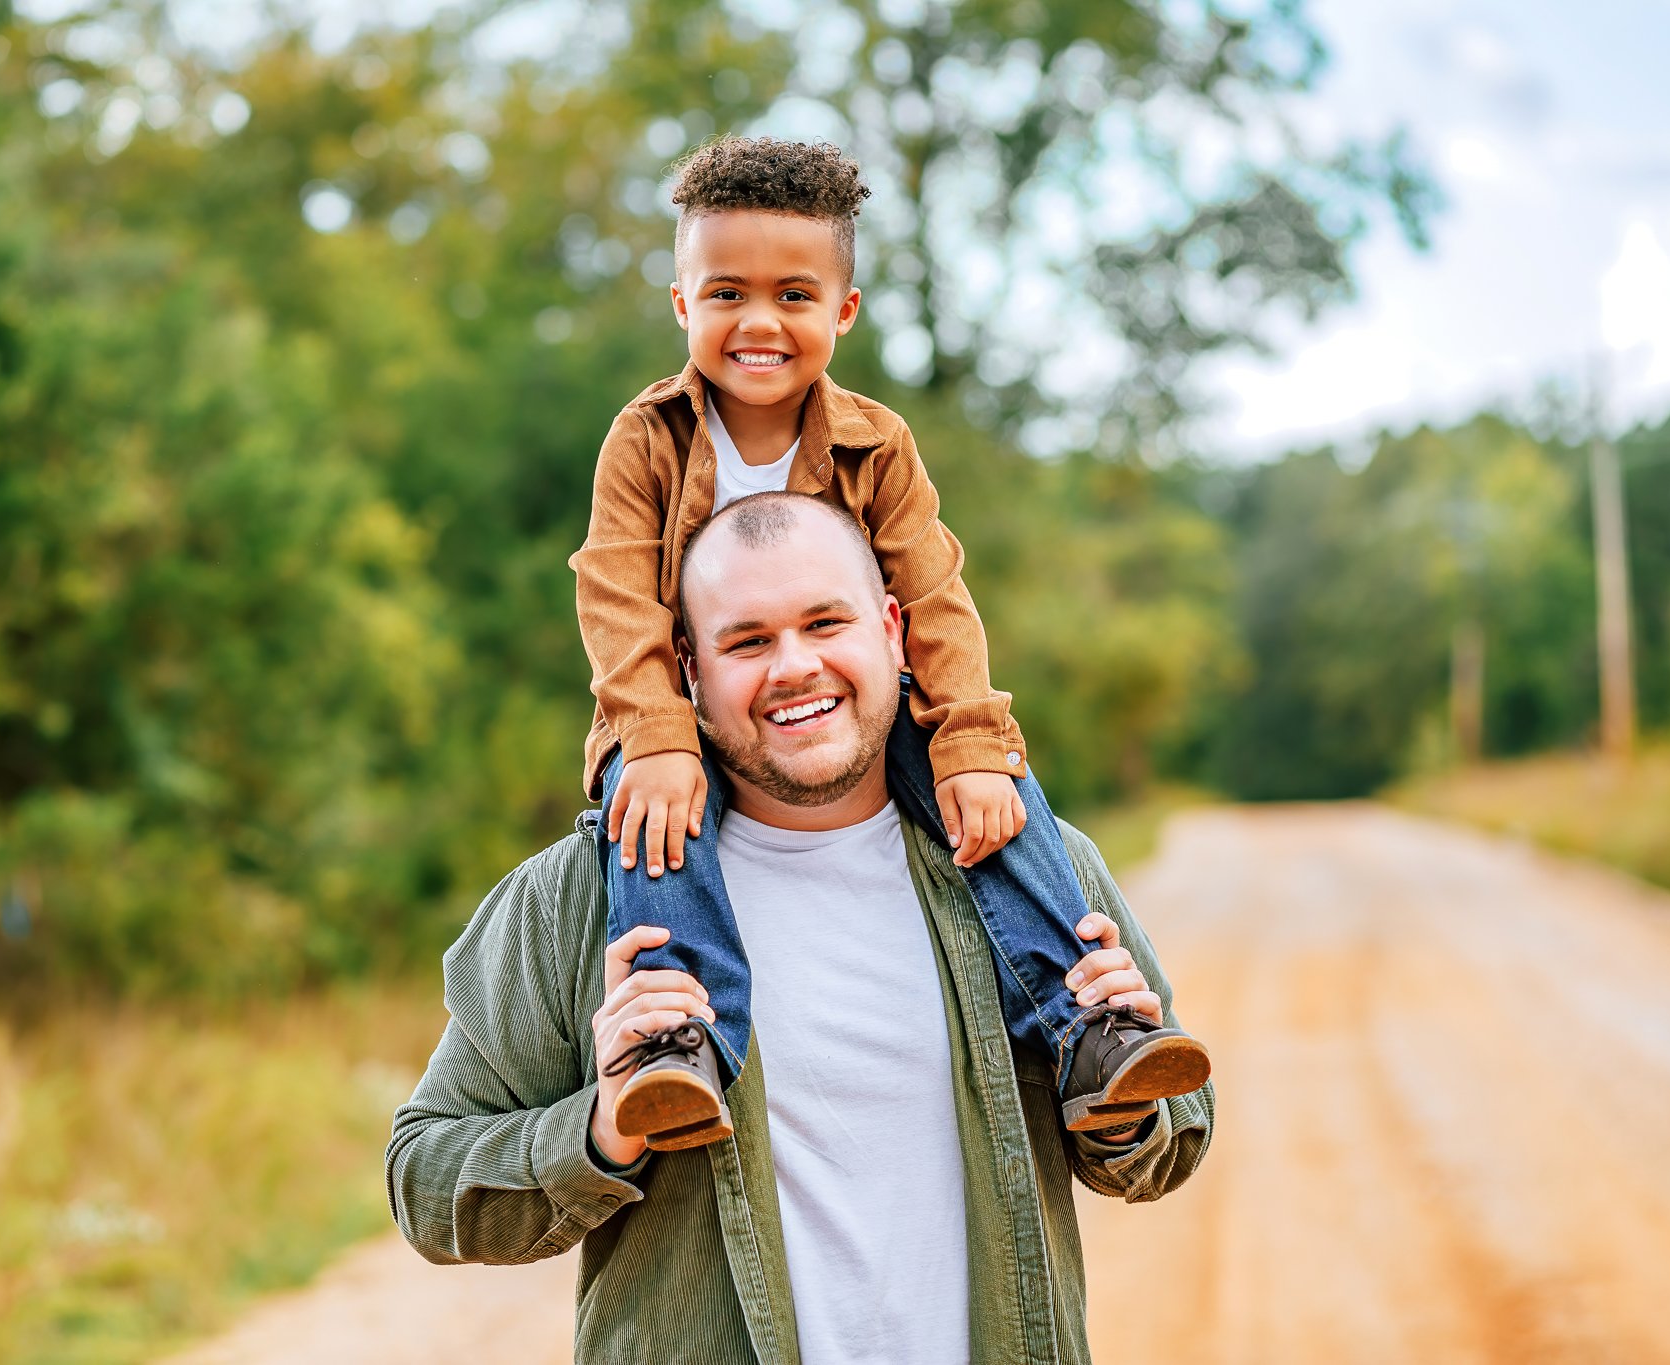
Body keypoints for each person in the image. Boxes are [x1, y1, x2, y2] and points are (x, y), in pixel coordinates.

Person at [389, 494, 1215, 1364]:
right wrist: (604, 1131)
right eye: (747, 640)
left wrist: (1126, 1106)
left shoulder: (1026, 863)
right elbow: (427, 1181)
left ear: (894, 630)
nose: (794, 667)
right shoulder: (582, 899)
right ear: (686, 667)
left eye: (827, 623)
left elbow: (1175, 1137)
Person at [567, 135, 1208, 1151]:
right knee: (652, 825)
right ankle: (672, 1045)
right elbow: (613, 591)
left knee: (995, 797)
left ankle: (1084, 1025)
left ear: (842, 311)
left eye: (793, 295)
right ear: (683, 305)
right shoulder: (647, 438)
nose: (759, 322)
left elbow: (933, 595)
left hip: (865, 710)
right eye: (726, 294)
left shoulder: (876, 443)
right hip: (686, 714)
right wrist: (650, 733)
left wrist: (964, 742)